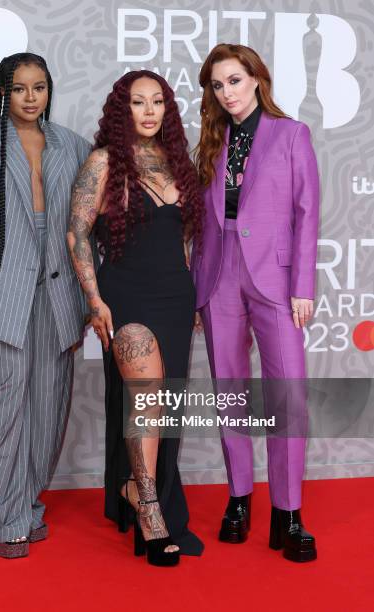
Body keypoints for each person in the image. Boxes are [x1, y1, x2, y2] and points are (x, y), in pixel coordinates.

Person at [0, 52, 91, 558]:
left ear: (49, 91)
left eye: (39, 87)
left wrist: (92, 297)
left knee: (49, 413)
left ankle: (27, 505)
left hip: (58, 296)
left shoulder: (71, 146)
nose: (30, 98)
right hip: (0, 296)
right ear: (3, 93)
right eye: (19, 88)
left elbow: (84, 229)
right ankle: (4, 518)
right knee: (6, 411)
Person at [67, 70, 204, 566]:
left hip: (175, 296)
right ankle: (148, 508)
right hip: (126, 296)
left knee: (161, 406)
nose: (149, 111)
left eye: (157, 103)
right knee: (144, 401)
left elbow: (184, 240)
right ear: (122, 111)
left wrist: (192, 297)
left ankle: (137, 486)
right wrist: (94, 299)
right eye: (138, 103)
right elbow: (77, 234)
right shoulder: (103, 161)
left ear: (167, 110)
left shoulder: (178, 164)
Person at [192, 43, 319, 562]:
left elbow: (307, 212)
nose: (228, 93)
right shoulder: (210, 141)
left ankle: (288, 516)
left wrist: (303, 286)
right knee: (230, 392)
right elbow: (198, 221)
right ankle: (239, 501)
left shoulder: (292, 134)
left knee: (286, 395)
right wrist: (197, 283)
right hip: (220, 276)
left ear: (257, 79)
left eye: (235, 81)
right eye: (218, 86)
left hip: (276, 276)